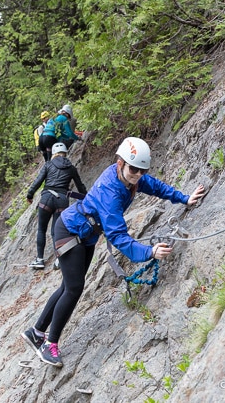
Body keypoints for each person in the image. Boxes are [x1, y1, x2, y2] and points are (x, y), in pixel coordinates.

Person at [21, 137, 206, 367]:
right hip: (70, 232)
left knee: (68, 286)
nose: (138, 174)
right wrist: (149, 252)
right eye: (134, 169)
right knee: (74, 288)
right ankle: (50, 344)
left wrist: (183, 198)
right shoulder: (111, 191)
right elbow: (118, 237)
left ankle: (36, 332)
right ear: (120, 163)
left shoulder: (131, 179)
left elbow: (155, 186)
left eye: (142, 170)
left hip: (84, 234)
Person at [26, 142, 88, 270]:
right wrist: (88, 198)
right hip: (62, 201)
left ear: (54, 153)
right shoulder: (71, 168)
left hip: (47, 199)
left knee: (41, 229)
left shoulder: (48, 165)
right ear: (66, 153)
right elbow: (80, 186)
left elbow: (38, 181)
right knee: (56, 231)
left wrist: (30, 194)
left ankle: (39, 260)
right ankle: (59, 259)